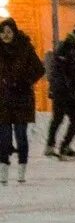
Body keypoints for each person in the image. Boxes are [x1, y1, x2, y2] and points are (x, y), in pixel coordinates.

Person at [0, 17, 44, 186]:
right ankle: (3, 170)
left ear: (15, 32)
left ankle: (21, 170)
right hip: (3, 100)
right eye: (2, 32)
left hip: (21, 99)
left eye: (9, 32)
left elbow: (39, 69)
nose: (5, 35)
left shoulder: (25, 48)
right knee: (3, 138)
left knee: (21, 136)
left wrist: (24, 82)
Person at [44, 25, 75, 161]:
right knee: (59, 118)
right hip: (63, 92)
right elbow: (66, 74)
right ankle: (51, 146)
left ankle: (63, 146)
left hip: (71, 92)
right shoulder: (66, 50)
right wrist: (69, 91)